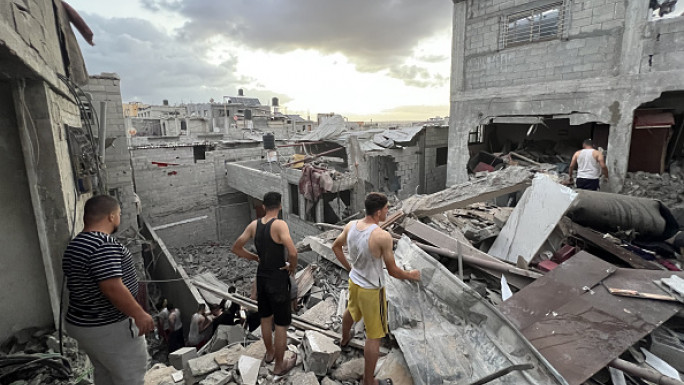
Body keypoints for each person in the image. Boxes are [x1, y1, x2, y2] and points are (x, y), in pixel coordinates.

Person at [62, 195, 154, 385]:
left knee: (105, 374)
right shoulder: (103, 244)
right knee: (131, 377)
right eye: (119, 214)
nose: (120, 218)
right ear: (111, 216)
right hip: (109, 327)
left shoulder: (76, 244)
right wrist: (139, 314)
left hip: (84, 325)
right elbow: (111, 287)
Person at [332, 192, 421, 385]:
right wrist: (411, 275)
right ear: (379, 211)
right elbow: (393, 271)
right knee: (374, 336)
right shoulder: (382, 236)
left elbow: (335, 247)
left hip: (355, 281)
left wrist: (350, 268)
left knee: (351, 310)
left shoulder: (351, 226)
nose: (388, 212)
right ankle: (369, 381)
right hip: (372, 290)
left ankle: (344, 340)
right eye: (387, 209)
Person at [232, 192, 298, 376]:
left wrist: (255, 258)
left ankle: (269, 353)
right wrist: (291, 268)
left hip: (261, 277)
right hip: (277, 278)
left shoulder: (254, 225)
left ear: (263, 206)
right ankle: (279, 365)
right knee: (281, 324)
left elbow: (236, 247)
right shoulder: (279, 225)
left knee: (266, 319)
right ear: (280, 206)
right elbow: (292, 252)